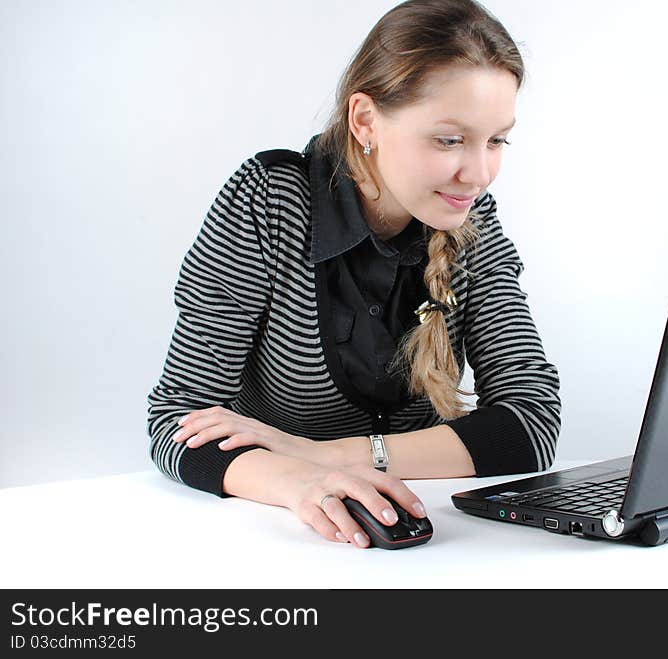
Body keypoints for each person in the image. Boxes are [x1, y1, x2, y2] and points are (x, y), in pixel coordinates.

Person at [146, 0, 561, 549]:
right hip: (273, 540)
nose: (479, 173)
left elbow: (528, 424)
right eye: (449, 139)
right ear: (365, 119)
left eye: (497, 140)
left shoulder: (470, 221)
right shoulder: (270, 201)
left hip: (432, 541)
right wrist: (295, 479)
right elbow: (180, 421)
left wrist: (327, 453)